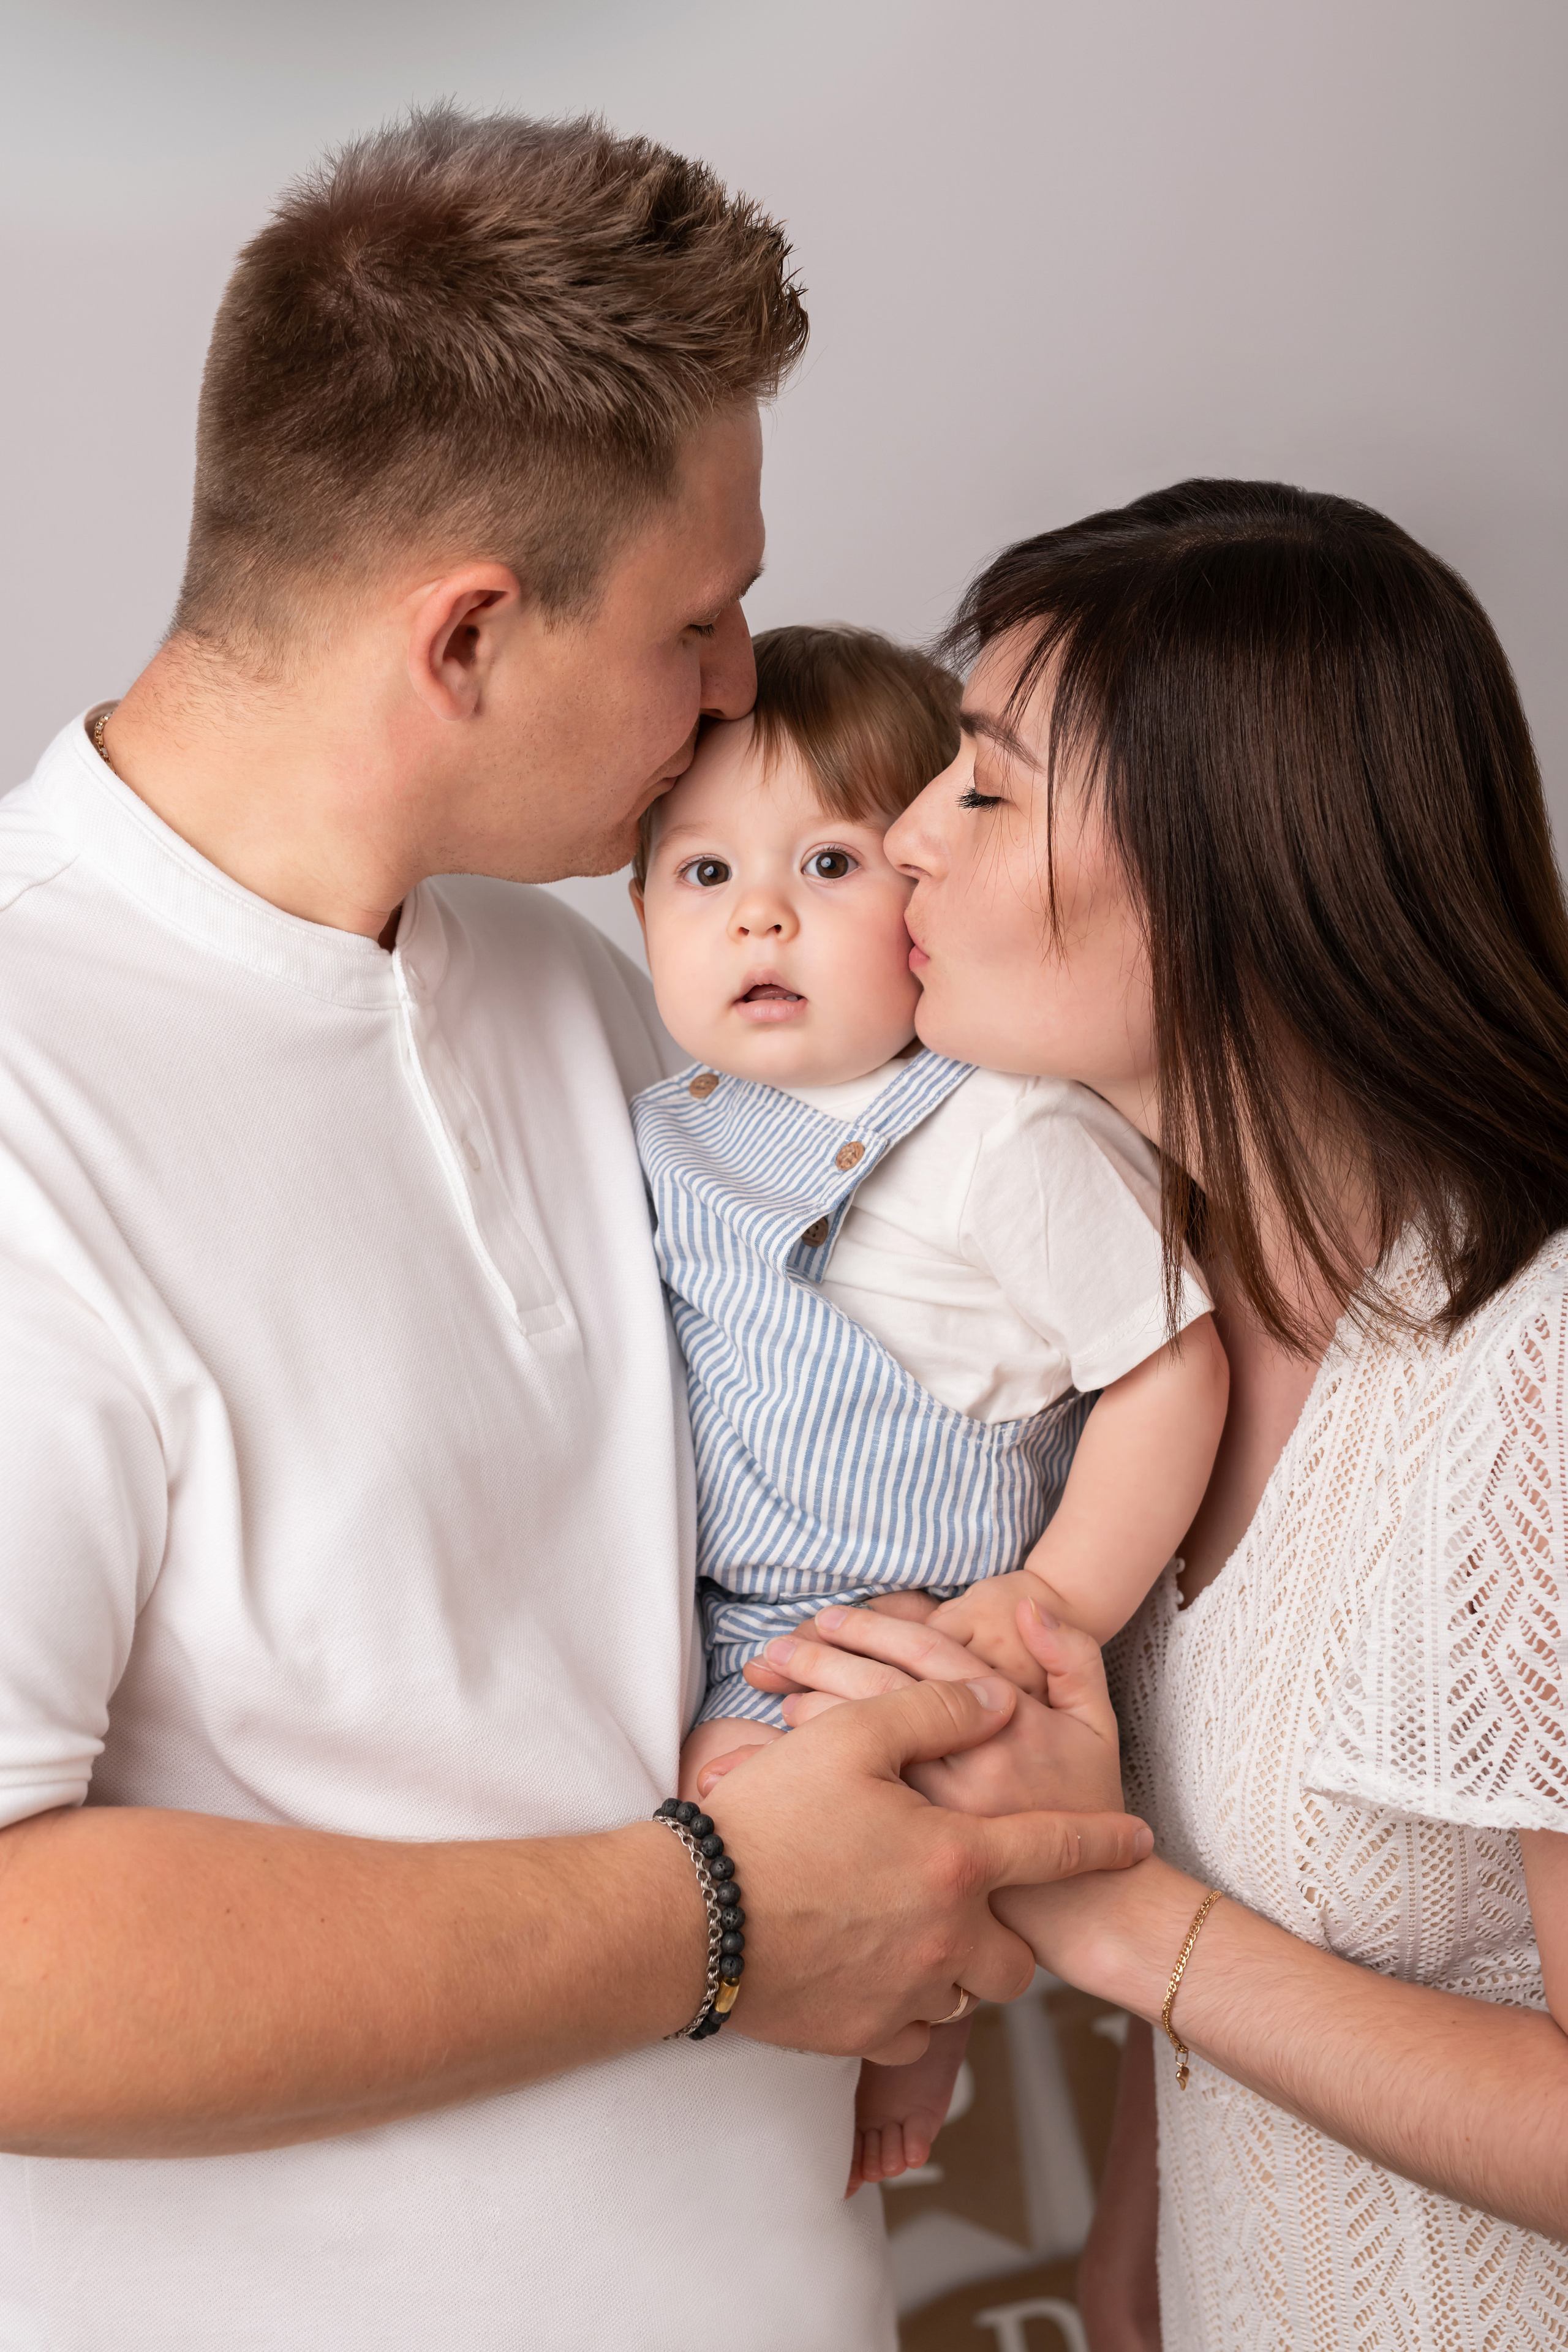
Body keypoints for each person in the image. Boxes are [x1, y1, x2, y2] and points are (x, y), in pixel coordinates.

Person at [0, 109, 1153, 2351]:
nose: (743, 694)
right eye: (700, 623)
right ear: (466, 639)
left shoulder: (572, 988)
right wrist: (729, 1912)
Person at [742, 479, 1568, 2348]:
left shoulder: (1535, 1375)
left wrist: (1116, 1929)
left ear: (1243, 867)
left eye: (988, 787)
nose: (902, 846)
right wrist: (1136, 2253)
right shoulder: (1132, 1344)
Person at [627, 622, 1227, 2186]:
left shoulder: (999, 1133)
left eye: (826, 865)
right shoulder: (663, 1124)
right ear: (635, 912)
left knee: (824, 1843)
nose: (758, 912)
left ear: (921, 888)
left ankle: (922, 2041)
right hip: (717, 1598)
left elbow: (1167, 1359)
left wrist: (1049, 1603)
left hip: (911, 1615)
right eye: (702, 878)